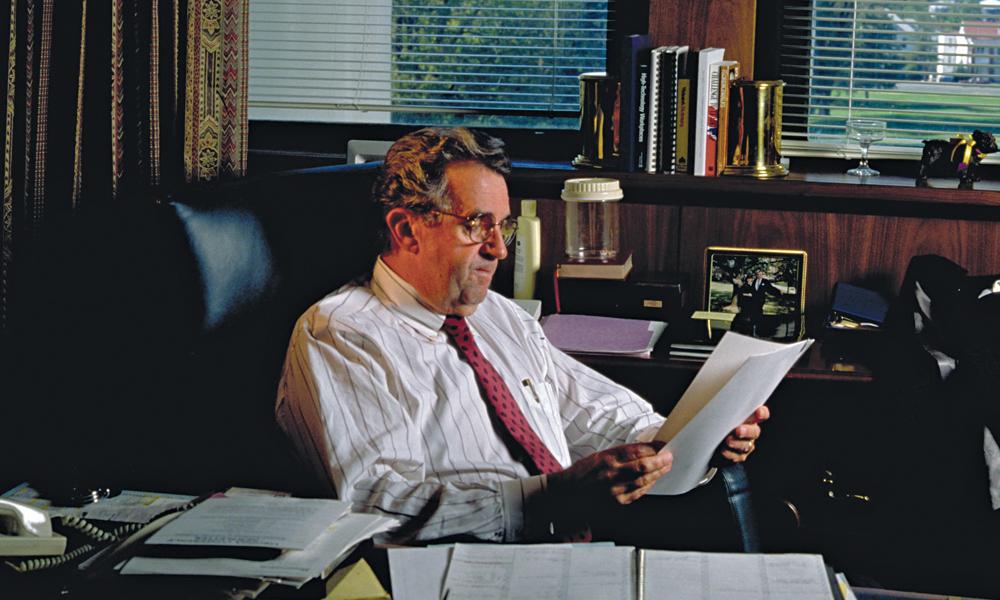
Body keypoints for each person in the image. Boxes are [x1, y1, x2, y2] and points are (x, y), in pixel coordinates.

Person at [275, 127, 768, 544]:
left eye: (503, 228)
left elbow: (592, 409)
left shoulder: (499, 317)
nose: (498, 250)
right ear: (407, 231)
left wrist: (692, 438)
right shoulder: (340, 334)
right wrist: (549, 499)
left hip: (567, 559)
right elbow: (375, 508)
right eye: (476, 225)